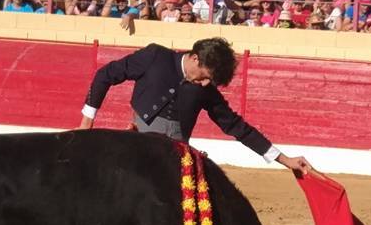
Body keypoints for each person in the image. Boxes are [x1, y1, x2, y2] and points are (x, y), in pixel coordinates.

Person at [77, 38, 312, 175]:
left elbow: (236, 126)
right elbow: (105, 75)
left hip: (175, 163)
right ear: (195, 58)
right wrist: (87, 121)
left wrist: (284, 159)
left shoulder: (205, 88)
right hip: (136, 150)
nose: (207, 84)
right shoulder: (155, 56)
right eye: (205, 76)